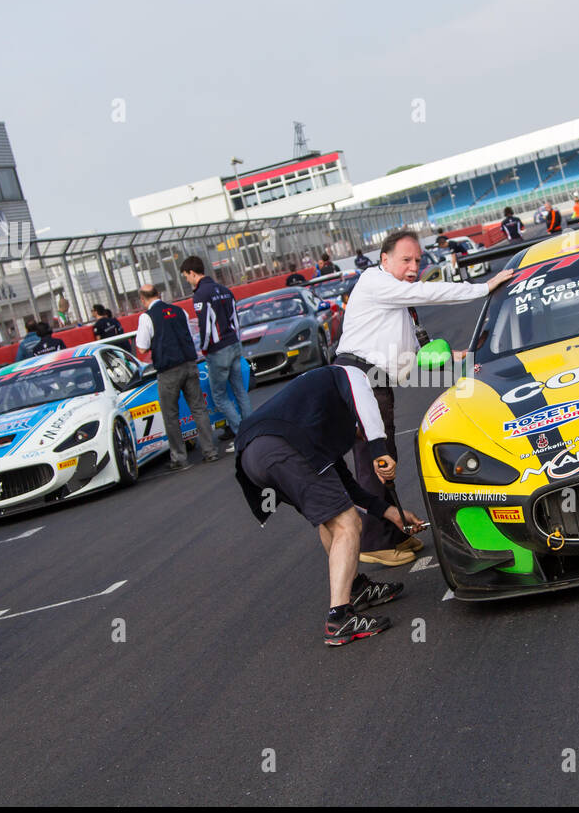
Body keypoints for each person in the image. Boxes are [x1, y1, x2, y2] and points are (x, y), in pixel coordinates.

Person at [333, 229, 515, 567]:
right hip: (359, 380)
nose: (413, 266)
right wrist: (483, 287)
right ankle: (374, 542)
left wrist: (451, 357)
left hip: (373, 381)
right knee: (375, 461)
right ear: (384, 260)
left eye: (417, 260)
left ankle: (393, 534)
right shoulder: (376, 283)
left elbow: (409, 357)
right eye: (405, 260)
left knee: (385, 456)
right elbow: (428, 292)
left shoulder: (394, 301)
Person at [235, 364, 423, 645]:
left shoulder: (320, 417)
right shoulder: (350, 374)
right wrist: (378, 449)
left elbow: (346, 487)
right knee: (348, 524)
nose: (362, 434)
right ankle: (339, 618)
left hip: (252, 456)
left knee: (331, 517)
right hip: (280, 448)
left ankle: (355, 587)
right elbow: (365, 406)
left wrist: (391, 512)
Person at [134, 284, 219, 469]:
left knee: (171, 415)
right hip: (189, 363)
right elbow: (188, 335)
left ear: (142, 299)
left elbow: (141, 347)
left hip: (168, 370)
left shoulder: (146, 317)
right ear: (159, 294)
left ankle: (180, 458)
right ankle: (210, 451)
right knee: (198, 408)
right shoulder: (179, 311)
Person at [179, 255, 250, 448]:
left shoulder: (200, 295)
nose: (187, 280)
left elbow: (205, 327)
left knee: (219, 395)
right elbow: (236, 320)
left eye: (186, 276)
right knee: (239, 390)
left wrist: (202, 349)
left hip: (218, 350)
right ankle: (252, 430)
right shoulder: (225, 290)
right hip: (234, 343)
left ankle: (241, 434)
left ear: (193, 273)